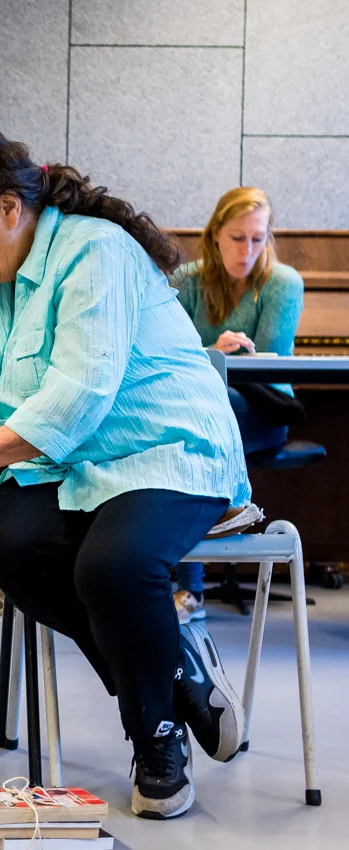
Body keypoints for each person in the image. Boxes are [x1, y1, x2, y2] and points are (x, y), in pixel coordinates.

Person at [0, 127, 251, 820]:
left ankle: (156, 735)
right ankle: (178, 668)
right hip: (80, 462)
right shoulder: (3, 284)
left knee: (114, 567)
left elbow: (78, 397)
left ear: (10, 209)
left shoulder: (97, 251)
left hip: (169, 449)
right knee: (10, 545)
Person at [170, 187, 304, 622]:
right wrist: (213, 352)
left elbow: (268, 364)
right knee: (186, 433)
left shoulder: (282, 283)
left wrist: (213, 361)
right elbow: (166, 355)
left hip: (261, 411)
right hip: (197, 408)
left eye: (257, 239)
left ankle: (188, 588)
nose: (247, 250)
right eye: (237, 238)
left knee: (191, 431)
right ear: (215, 235)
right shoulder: (186, 279)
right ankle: (181, 582)